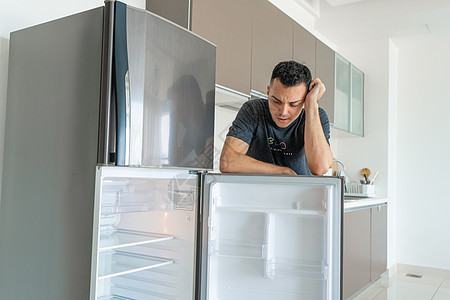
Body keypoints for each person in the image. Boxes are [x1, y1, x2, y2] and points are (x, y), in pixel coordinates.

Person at [219, 60, 332, 175]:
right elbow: (227, 162)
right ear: (268, 91)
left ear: (304, 100)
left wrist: (312, 103)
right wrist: (283, 171)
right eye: (276, 101)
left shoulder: (317, 115)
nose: (283, 112)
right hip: (256, 191)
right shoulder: (253, 110)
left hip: (300, 192)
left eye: (293, 104)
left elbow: (320, 168)